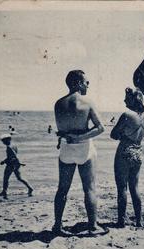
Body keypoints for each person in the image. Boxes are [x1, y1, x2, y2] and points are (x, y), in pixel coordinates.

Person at [52, 70, 105, 236]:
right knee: (89, 188)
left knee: (62, 189)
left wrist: (69, 137)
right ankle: (93, 226)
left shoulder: (58, 103)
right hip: (84, 148)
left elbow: (62, 129)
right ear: (77, 83)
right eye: (86, 82)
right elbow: (100, 128)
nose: (88, 85)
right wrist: (80, 136)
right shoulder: (87, 102)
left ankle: (58, 226)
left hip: (66, 148)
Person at [110, 87, 144, 228]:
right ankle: (139, 220)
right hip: (138, 152)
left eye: (127, 97)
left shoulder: (126, 115)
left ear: (133, 100)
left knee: (122, 188)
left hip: (124, 151)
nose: (124, 99)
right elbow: (140, 136)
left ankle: (121, 221)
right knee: (135, 188)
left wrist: (121, 135)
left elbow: (113, 134)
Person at [0, 134, 33, 199]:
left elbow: (14, 156)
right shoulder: (13, 145)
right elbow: (12, 156)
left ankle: (4, 191)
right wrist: (5, 161)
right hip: (15, 164)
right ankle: (30, 188)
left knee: (6, 178)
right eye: (2, 141)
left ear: (8, 140)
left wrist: (18, 162)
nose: (3, 142)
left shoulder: (9, 147)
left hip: (11, 164)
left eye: (4, 141)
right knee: (19, 178)